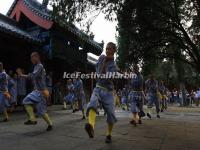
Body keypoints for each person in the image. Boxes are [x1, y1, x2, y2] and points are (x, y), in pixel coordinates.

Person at [85, 42, 118, 143]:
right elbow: (98, 71)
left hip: (108, 92)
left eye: (110, 49)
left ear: (114, 51)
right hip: (98, 88)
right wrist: (104, 63)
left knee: (111, 115)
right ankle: (91, 126)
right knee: (92, 103)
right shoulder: (101, 58)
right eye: (106, 49)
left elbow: (110, 77)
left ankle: (109, 134)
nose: (107, 50)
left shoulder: (114, 66)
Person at [21, 52, 53, 131]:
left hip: (41, 92)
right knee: (26, 101)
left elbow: (33, 76)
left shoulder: (39, 66)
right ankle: (33, 119)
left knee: (41, 112)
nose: (31, 60)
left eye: (32, 58)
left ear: (36, 57)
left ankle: (49, 124)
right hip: (37, 91)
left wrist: (22, 75)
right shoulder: (37, 67)